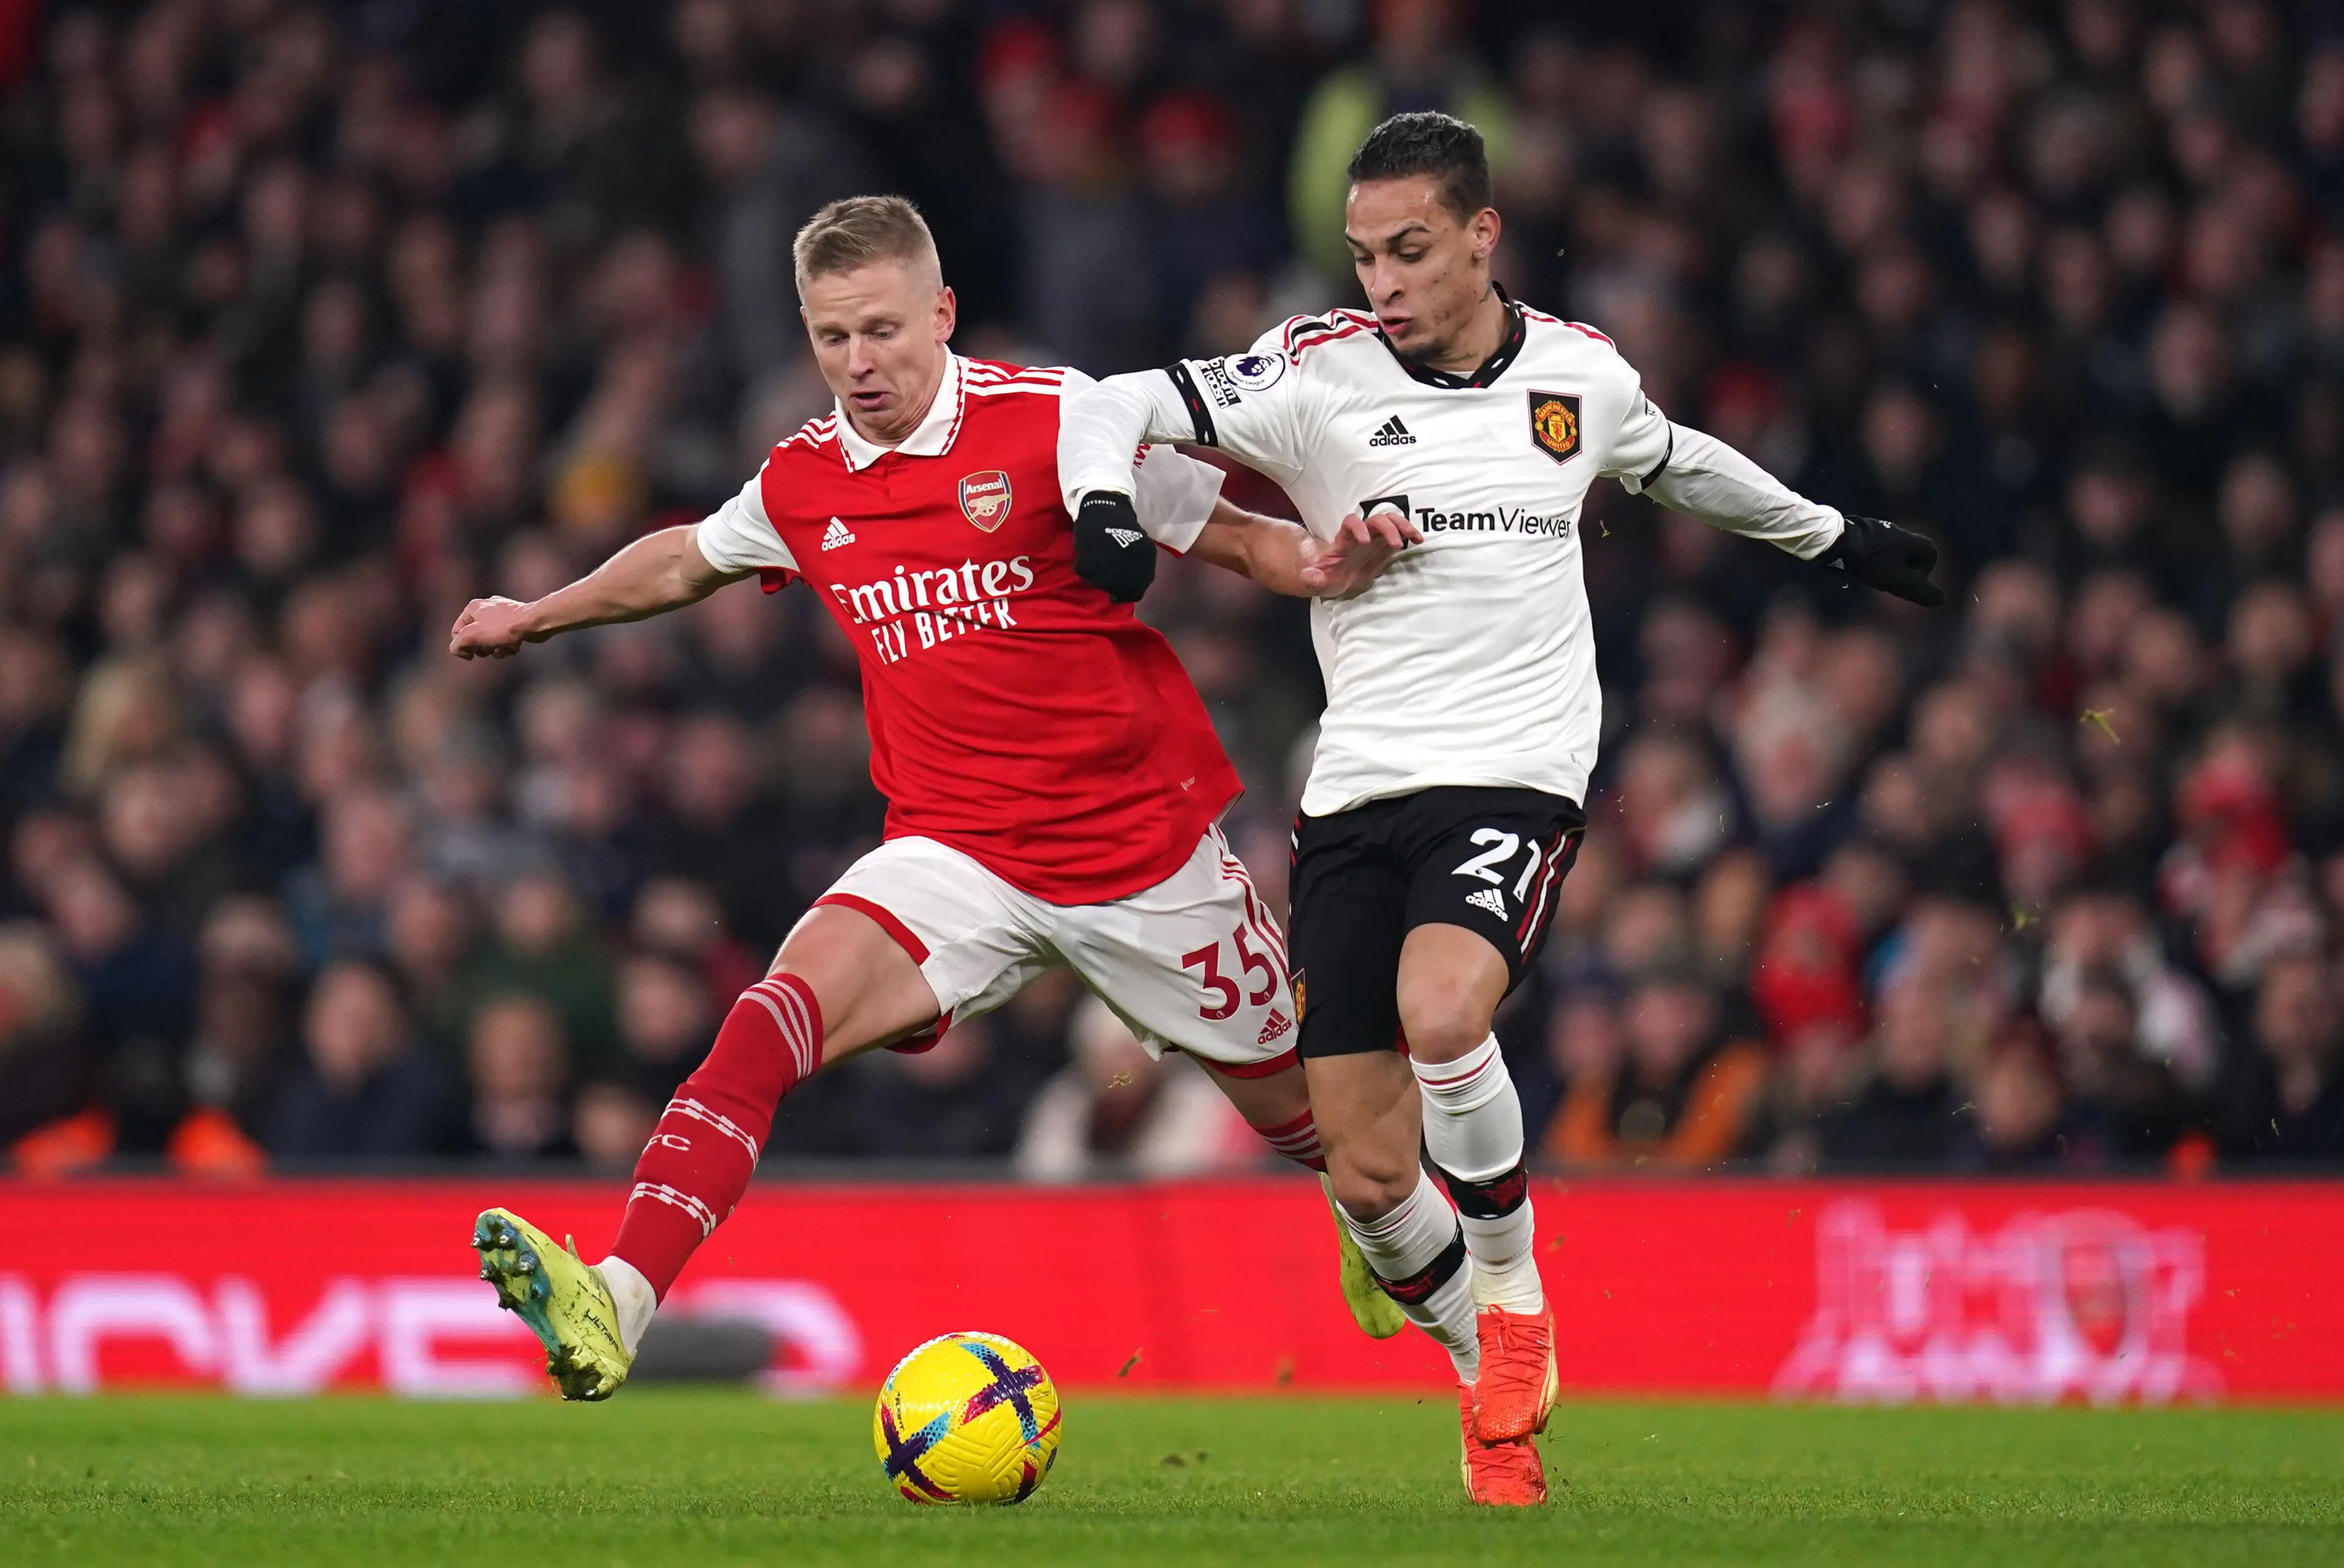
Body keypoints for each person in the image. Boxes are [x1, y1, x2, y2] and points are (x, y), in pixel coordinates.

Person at [1058, 112, 1941, 1504]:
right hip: (1356, 789)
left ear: (1483, 234)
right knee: (1361, 1168)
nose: (1381, 282)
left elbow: (1682, 459)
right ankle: (1488, 1374)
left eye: (1409, 250)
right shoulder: (1311, 371)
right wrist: (1108, 507)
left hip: (1519, 767)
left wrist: (1835, 536)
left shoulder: (1580, 378)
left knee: (1445, 1010)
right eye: (1361, 256)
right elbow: (1104, 402)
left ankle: (1515, 1295)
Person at [448, 196, 1412, 1403]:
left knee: (1330, 1130)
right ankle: (618, 1299)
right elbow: (690, 554)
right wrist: (539, 613)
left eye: (883, 331)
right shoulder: (806, 480)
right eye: (832, 337)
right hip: (950, 853)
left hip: (1139, 853)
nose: (860, 364)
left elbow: (1227, 536)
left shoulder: (1059, 420)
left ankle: (1382, 1230)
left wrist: (1319, 561)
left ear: (941, 312)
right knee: (766, 1018)